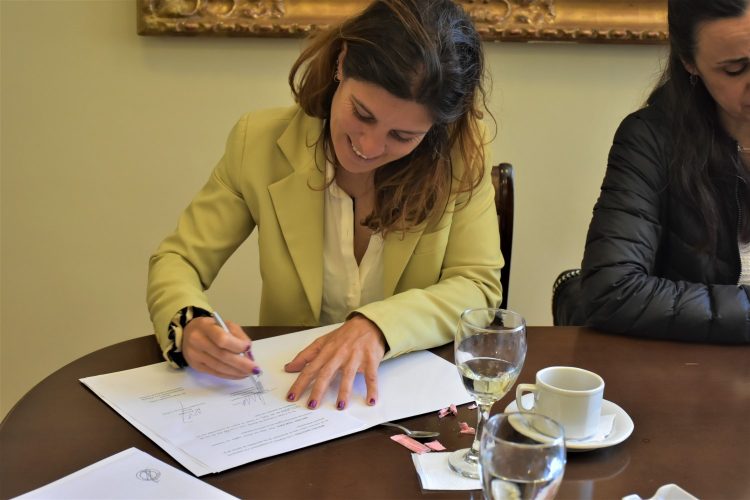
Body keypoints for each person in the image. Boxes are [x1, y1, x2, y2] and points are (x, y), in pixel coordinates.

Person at [147, 0, 503, 410]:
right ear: (342, 62)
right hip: (290, 402)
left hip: (406, 407)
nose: (369, 146)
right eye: (362, 114)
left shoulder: (460, 156)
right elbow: (178, 260)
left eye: (402, 136)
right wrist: (190, 324)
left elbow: (477, 286)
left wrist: (377, 327)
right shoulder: (256, 143)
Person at [581, 0, 750, 343]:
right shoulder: (651, 139)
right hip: (693, 367)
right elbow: (612, 290)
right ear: (690, 62)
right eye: (735, 69)